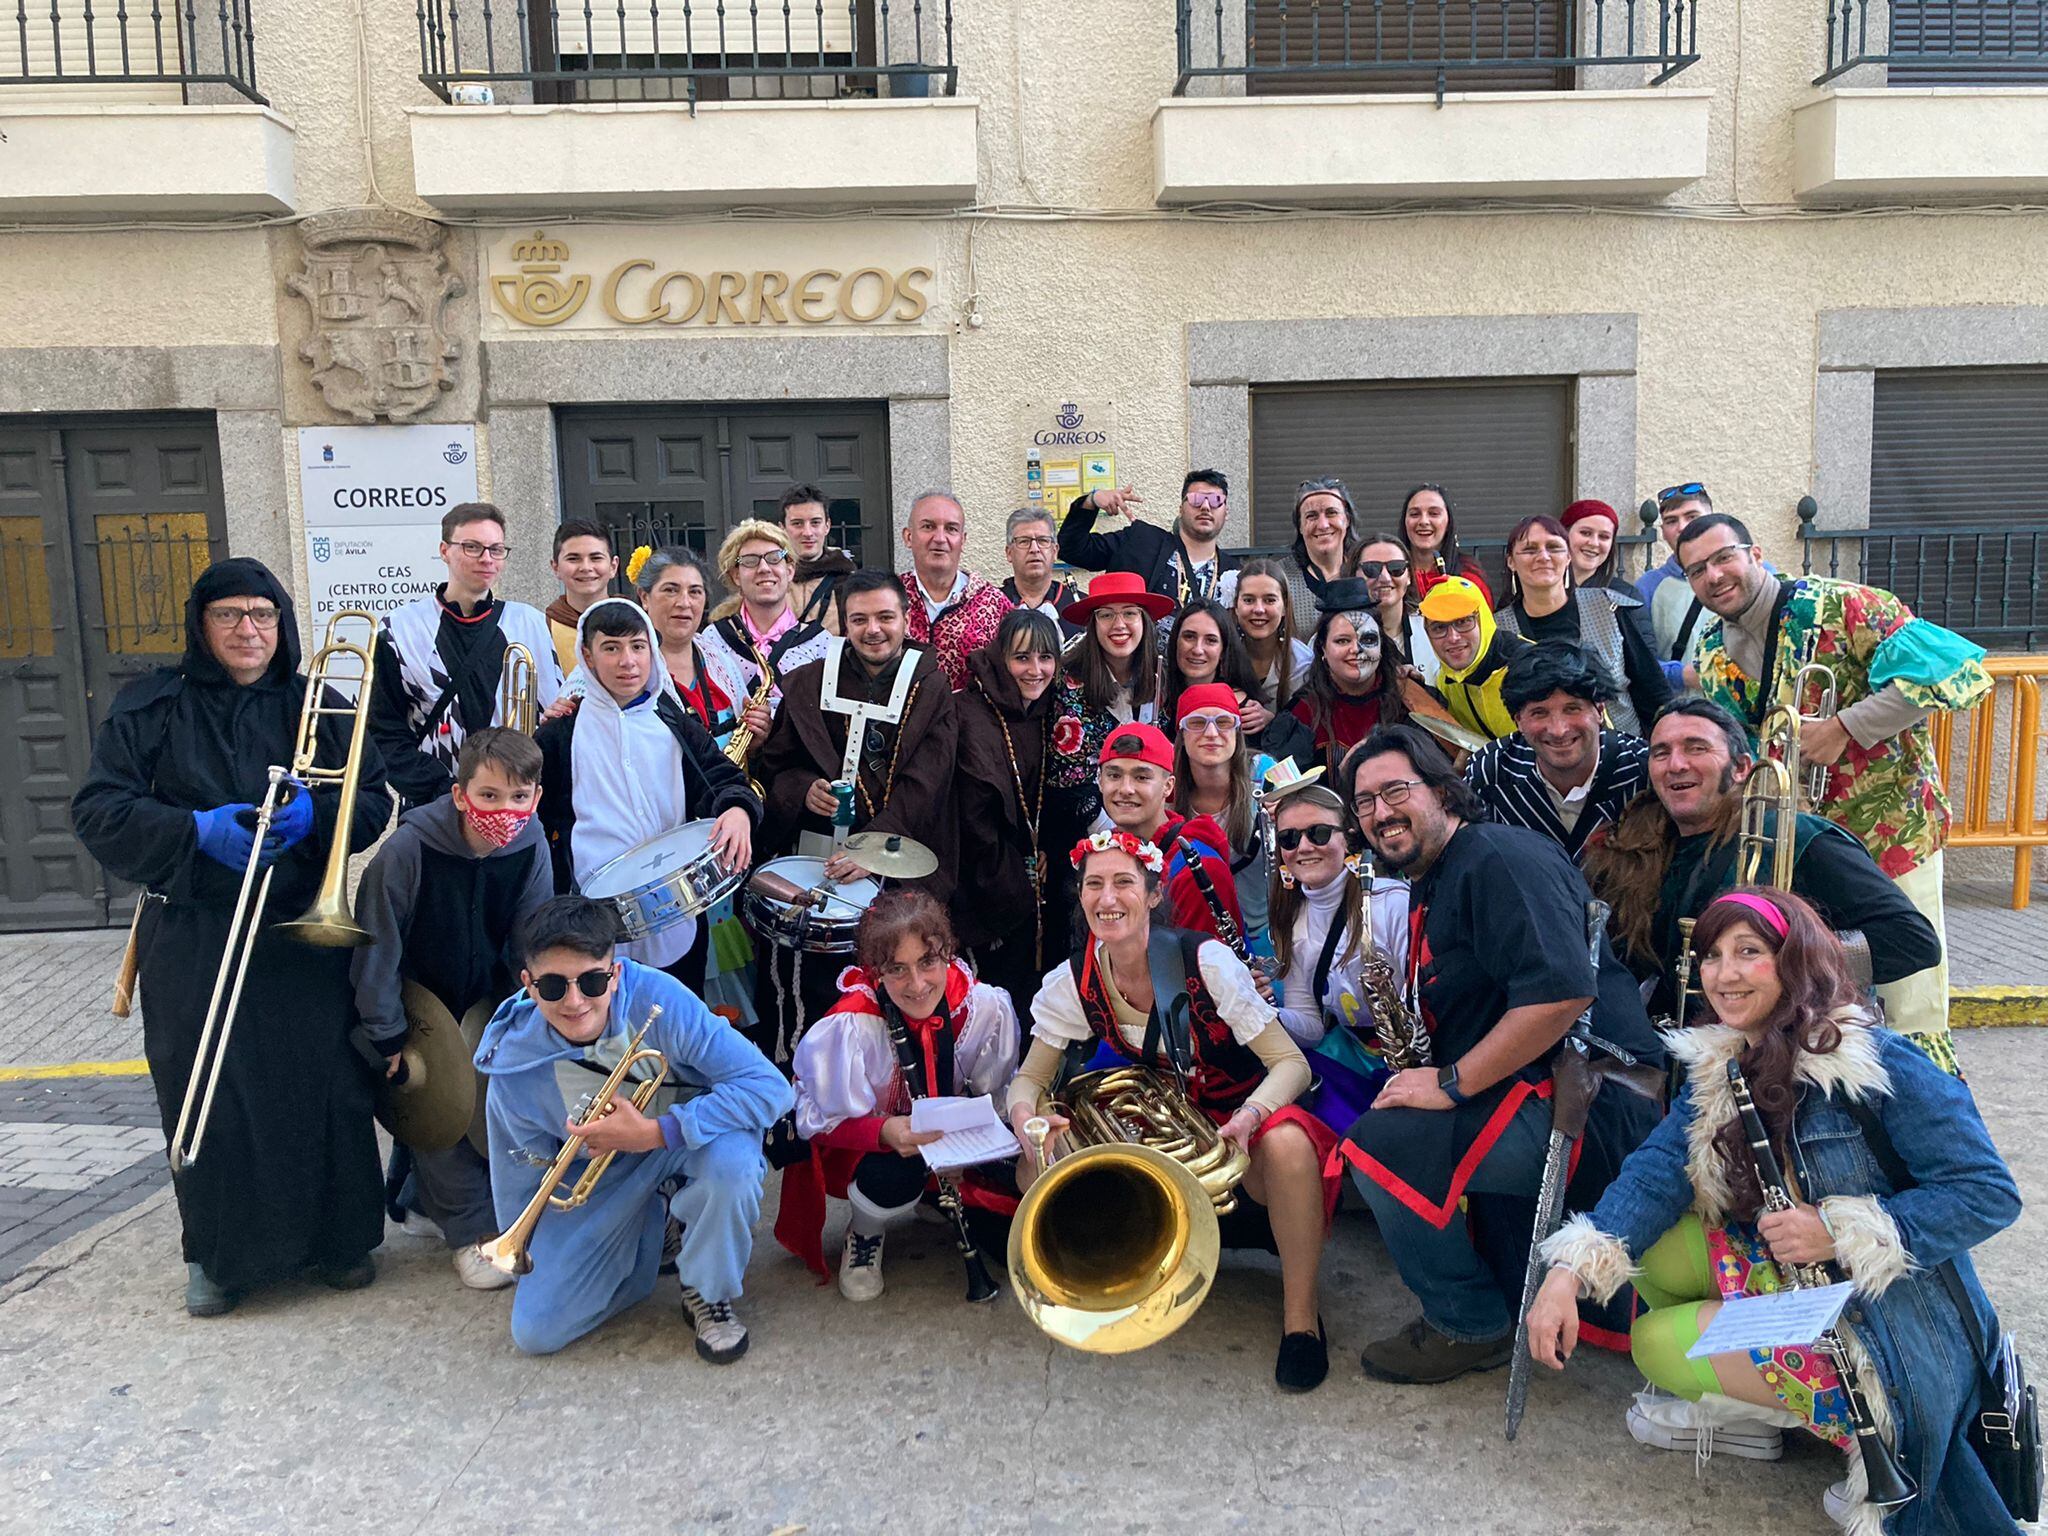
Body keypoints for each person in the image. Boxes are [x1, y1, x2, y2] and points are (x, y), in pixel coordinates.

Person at [1528, 887, 2023, 1536]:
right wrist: (1566, 1273)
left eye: (1749, 952)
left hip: (1888, 1316)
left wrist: (1840, 1231)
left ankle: (1853, 1438)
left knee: (1654, 1342)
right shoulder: (1727, 1057)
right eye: (1711, 956)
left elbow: (1988, 1192)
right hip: (1798, 1273)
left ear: (1794, 960)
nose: (1725, 973)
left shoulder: (1872, 1061)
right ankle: (1762, 1411)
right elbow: (1654, 1175)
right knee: (1649, 1254)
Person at [71, 558, 396, 1316]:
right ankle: (218, 1257)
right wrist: (192, 831)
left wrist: (321, 818)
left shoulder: (322, 701)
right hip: (196, 928)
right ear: (202, 625)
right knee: (207, 1090)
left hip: (299, 930)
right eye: (229, 616)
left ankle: (339, 1241)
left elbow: (375, 800)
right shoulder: (150, 706)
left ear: (281, 625)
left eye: (263, 615)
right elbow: (98, 811)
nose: (248, 631)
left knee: (322, 1083)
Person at [1334, 724, 1665, 1385]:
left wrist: (1451, 1083)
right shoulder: (1444, 872)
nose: (1379, 812)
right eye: (1364, 803)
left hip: (1592, 1104)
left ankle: (1467, 1323)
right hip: (1543, 1086)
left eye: (1394, 790)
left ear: (1443, 790)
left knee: (1382, 1144)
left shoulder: (1496, 858)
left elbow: (1562, 994)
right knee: (1396, 1120)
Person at [1010, 831, 1341, 1390]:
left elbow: (1291, 1065)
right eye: (1094, 884)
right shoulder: (1075, 978)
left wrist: (1252, 1116)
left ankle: (1301, 1321)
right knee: (1034, 1164)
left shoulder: (1205, 961)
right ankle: (1121, 1269)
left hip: (1239, 1129)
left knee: (1287, 1144)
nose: (1107, 898)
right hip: (1168, 1128)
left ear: (1154, 894)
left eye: (1123, 883)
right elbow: (1029, 1080)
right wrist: (1028, 1120)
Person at [1678, 512, 1990, 1051]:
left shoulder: (1846, 604)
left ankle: (1923, 1103)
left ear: (1754, 554)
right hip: (1800, 848)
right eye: (1696, 569)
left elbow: (1954, 671)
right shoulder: (1709, 647)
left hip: (1889, 833)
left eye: (1723, 557)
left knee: (1908, 989)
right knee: (1813, 990)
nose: (1714, 575)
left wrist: (1848, 726)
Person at [474, 896, 792, 1360]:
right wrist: (528, 1247)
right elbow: (519, 1172)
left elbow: (770, 1088)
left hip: (690, 1139)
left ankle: (708, 1289)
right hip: (605, 1179)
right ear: (528, 983)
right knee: (536, 1333)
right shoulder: (513, 1064)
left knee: (733, 1170)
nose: (576, 1000)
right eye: (553, 986)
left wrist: (657, 1132)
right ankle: (655, 1230)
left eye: (592, 980)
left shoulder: (660, 1001)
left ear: (615, 973)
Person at [1583, 699, 1944, 1037]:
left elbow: (1912, 940)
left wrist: (1779, 966)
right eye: (1661, 753)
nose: (1676, 764)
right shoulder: (1635, 848)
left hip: (1779, 1052)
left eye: (1696, 748)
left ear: (1740, 768)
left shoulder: (1797, 837)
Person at [350, 727, 554, 1290]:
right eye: (488, 796)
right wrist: (386, 1031)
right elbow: (377, 943)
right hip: (418, 997)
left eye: (519, 798)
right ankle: (470, 1231)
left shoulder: (531, 841)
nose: (504, 810)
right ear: (461, 794)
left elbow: (531, 933)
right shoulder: (407, 851)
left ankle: (421, 1202)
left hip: (489, 994)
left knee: (498, 1104)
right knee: (438, 1109)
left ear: (535, 797)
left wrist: (539, 1012)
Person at [778, 891, 1021, 1296]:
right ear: (877, 971)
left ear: (948, 952)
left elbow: (995, 1097)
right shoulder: (852, 1027)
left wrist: (970, 1149)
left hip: (954, 1145)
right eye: (898, 970)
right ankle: (866, 1230)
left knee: (1013, 1236)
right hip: (886, 1149)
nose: (918, 984)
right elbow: (816, 1123)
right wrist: (885, 1132)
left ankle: (934, 1199)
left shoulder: (984, 1008)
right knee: (892, 1178)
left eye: (928, 962)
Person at [533, 600, 759, 994]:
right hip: (592, 915)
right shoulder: (561, 734)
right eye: (611, 648)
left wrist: (738, 810)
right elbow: (536, 814)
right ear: (587, 655)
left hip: (676, 908)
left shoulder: (673, 721)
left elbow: (723, 778)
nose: (628, 662)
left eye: (638, 647)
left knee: (676, 1014)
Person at [369, 503, 564, 811]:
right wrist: (442, 790)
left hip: (512, 805)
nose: (486, 559)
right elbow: (384, 730)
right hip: (433, 804)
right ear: (444, 550)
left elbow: (550, 721)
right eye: (472, 547)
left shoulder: (530, 623)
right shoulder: (399, 628)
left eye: (496, 549)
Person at [1266, 782, 1413, 1132]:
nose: (1303, 847)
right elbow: (1311, 1029)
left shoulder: (1392, 903)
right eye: (1288, 838)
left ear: (1347, 837)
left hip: (1412, 1062)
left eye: (1317, 833)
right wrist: (1259, 1010)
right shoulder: (1292, 916)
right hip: (1351, 1058)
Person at [954, 608, 1065, 1015]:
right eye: (1022, 658)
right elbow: (971, 814)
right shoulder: (971, 713)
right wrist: (1013, 874)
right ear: (1001, 659)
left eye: (1045, 658)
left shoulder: (1052, 707)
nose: (1035, 670)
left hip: (1038, 877)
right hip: (985, 882)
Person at [1462, 643, 1650, 865]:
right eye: (1539, 713)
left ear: (1599, 710)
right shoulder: (1491, 772)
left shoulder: (1644, 770)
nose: (1558, 730)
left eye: (1572, 709)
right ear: (1518, 720)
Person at [1495, 514, 1670, 736]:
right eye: (1530, 549)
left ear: (1568, 557)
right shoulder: (1498, 630)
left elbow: (1653, 692)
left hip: (1622, 756)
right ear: (1511, 561)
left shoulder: (1609, 608)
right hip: (1538, 760)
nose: (1543, 556)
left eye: (1554, 547)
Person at [1044, 571, 1172, 841]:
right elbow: (1070, 780)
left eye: (1129, 613)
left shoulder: (1163, 675)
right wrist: (1121, 838)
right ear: (1093, 624)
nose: (1119, 624)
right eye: (1106, 615)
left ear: (1144, 621)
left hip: (1155, 822)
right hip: (1089, 833)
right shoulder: (1068, 684)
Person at [1094, 723, 1242, 943]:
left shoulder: (1198, 868)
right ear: (1099, 781)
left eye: (1141, 777)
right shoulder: (1103, 855)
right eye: (1114, 775)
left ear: (1168, 786)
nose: (1125, 789)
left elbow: (1204, 970)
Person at [1171, 684, 1272, 957]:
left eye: (1224, 722)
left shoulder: (1267, 774)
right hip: (1196, 940)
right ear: (1181, 733)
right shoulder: (1166, 792)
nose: (1211, 733)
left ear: (1238, 731)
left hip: (1269, 935)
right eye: (1197, 723)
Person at [698, 519, 831, 720]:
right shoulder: (714, 639)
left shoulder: (820, 641)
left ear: (789, 571)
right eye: (750, 561)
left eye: (775, 558)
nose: (764, 568)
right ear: (736, 576)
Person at [1056, 468, 1239, 609]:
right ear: (1181, 509)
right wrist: (1091, 501)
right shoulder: (1140, 542)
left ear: (1226, 512)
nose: (1205, 507)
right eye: (1196, 500)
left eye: (1216, 500)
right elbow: (1071, 549)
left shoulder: (1236, 573)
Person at [1169, 596, 1314, 772]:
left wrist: (1271, 721)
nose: (1198, 649)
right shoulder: (1158, 693)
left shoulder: (1243, 712)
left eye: (1211, 640)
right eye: (1189, 637)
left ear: (1223, 650)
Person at [628, 544, 755, 742]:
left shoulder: (721, 663)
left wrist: (755, 738)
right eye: (671, 590)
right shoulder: (621, 664)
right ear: (644, 597)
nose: (684, 603)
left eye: (695, 592)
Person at [1289, 580, 1414, 771]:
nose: (1356, 649)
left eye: (1369, 639)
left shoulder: (1412, 701)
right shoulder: (1301, 713)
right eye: (1342, 641)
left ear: (1382, 645)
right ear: (1323, 648)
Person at [899, 490, 1013, 689]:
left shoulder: (993, 604)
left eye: (951, 529)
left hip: (972, 719)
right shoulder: (889, 598)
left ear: (963, 540)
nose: (940, 538)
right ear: (908, 537)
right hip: (901, 719)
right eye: (928, 526)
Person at [1419, 576, 1526, 741]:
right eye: (1439, 627)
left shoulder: (1532, 667)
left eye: (1463, 622)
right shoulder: (1446, 681)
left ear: (1483, 619)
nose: (1453, 637)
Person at [1636, 481, 1716, 691]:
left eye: (1692, 517)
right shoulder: (1648, 587)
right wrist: (1681, 675)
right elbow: (1637, 661)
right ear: (1663, 531)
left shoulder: (1746, 573)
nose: (1682, 527)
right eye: (1671, 521)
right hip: (1679, 715)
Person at [1233, 555, 1315, 712]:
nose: (1258, 609)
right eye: (1249, 600)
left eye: (1269, 600)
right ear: (1236, 605)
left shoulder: (1303, 664)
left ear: (1284, 606)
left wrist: (1272, 721)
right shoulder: (1221, 657)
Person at [1277, 476, 1364, 621]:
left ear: (1347, 519)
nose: (1323, 525)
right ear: (1300, 526)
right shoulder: (1280, 577)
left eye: (1331, 513)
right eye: (1311, 516)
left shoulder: (1367, 572)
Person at [1357, 531, 1436, 685]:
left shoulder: (1435, 631)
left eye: (1396, 568)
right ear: (1354, 575)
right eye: (1372, 569)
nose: (1385, 578)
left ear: (1409, 577)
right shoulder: (1333, 637)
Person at [545, 519, 619, 673]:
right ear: (555, 567)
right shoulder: (543, 629)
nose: (586, 567)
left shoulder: (638, 624)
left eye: (596, 558)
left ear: (613, 566)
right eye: (573, 559)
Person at [998, 506, 1084, 638]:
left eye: (1042, 540)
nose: (1034, 549)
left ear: (1055, 551)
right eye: (1024, 541)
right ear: (1009, 553)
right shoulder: (990, 606)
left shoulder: (1081, 606)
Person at [1402, 483, 1493, 606]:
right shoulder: (1391, 576)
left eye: (1434, 513)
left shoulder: (1469, 578)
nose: (1423, 521)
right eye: (1414, 514)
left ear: (1448, 522)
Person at [781, 483, 855, 635]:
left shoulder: (849, 582)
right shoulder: (769, 578)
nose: (807, 532)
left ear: (827, 526)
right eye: (797, 524)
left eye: (815, 523)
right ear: (782, 528)